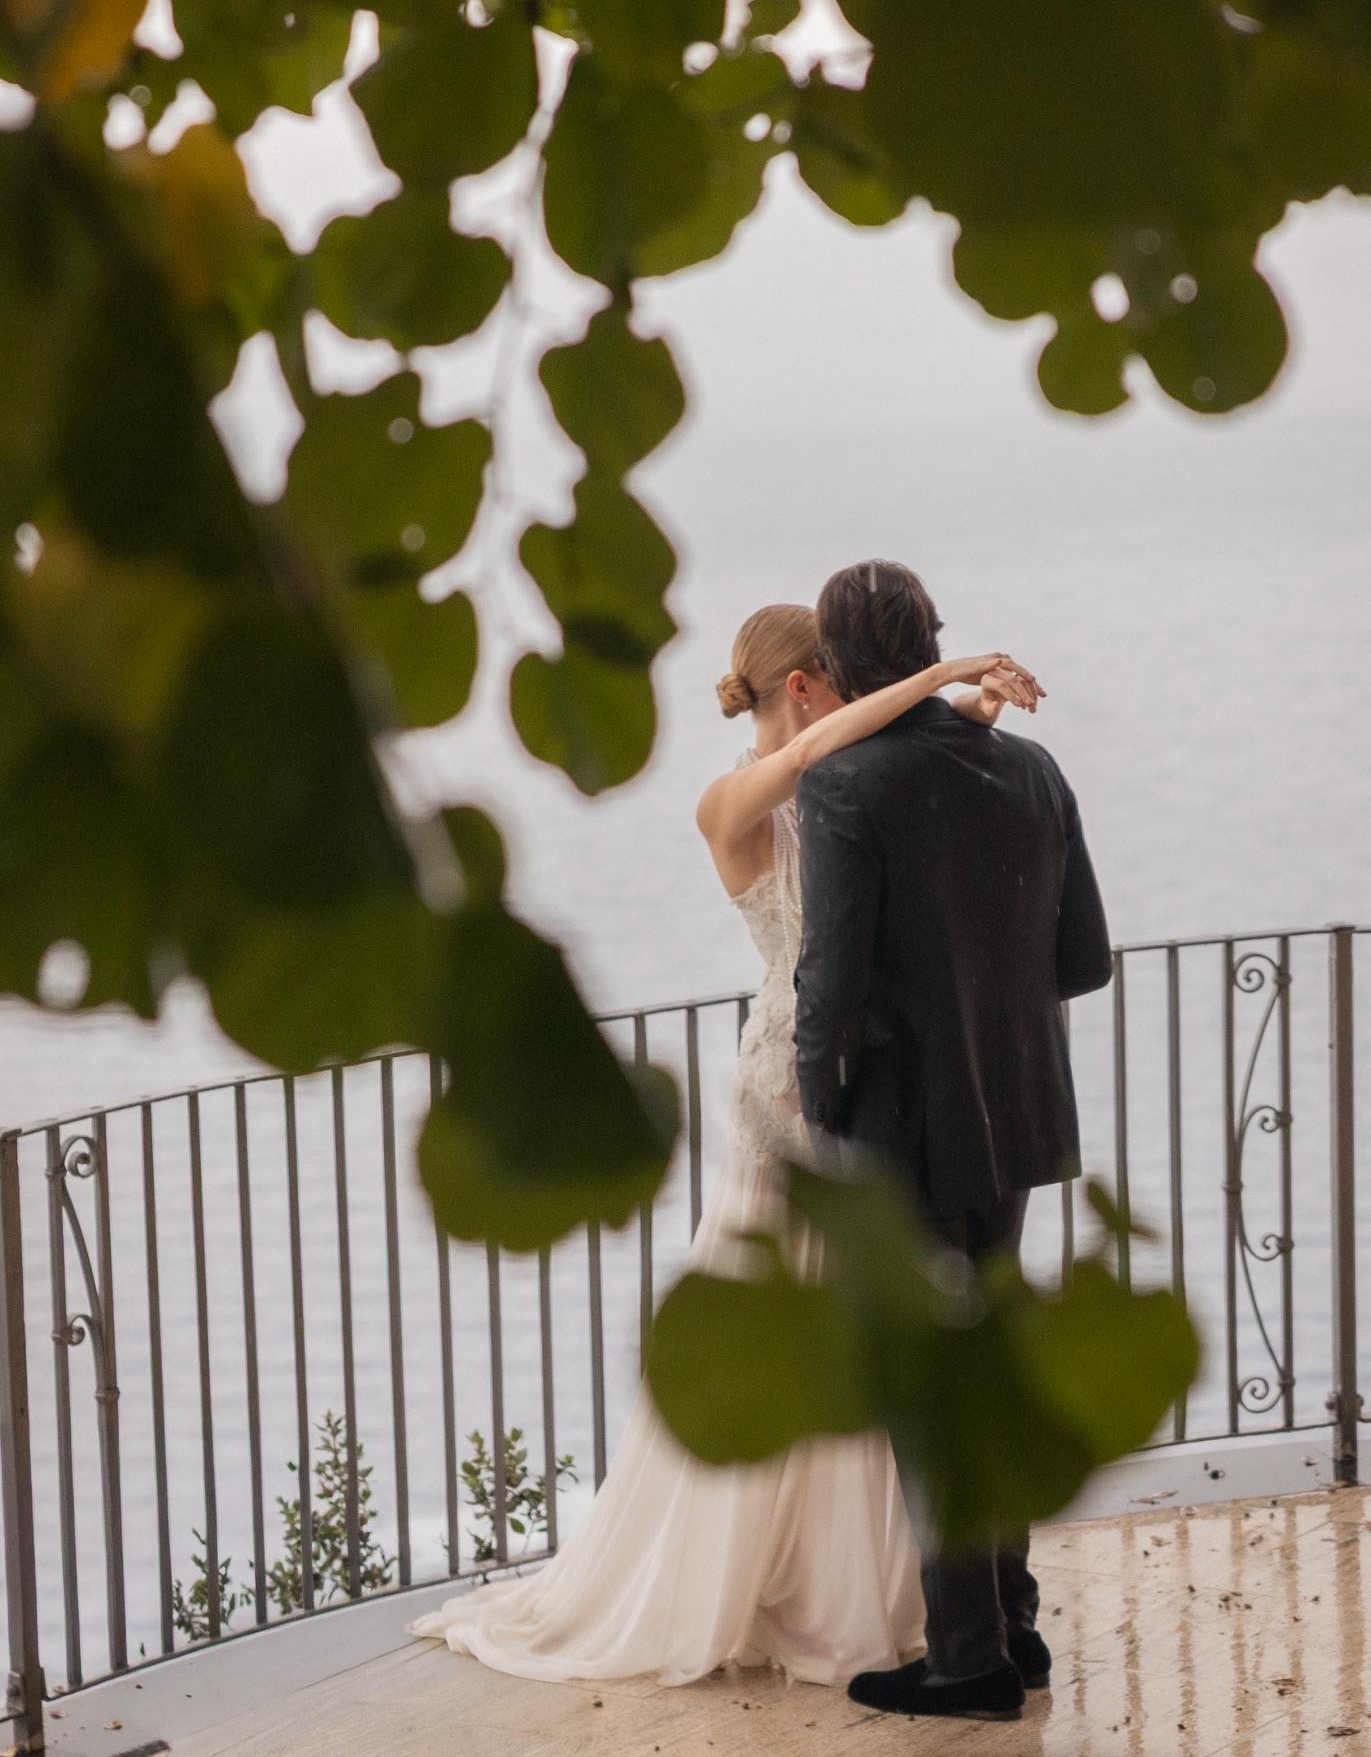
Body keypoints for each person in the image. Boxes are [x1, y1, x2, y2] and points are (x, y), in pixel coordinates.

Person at [409, 601, 1041, 1686]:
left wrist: (972, 711)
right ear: (802, 687)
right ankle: (751, 1578)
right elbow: (831, 751)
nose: (852, 695)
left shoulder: (842, 781)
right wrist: (947, 678)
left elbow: (886, 772)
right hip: (789, 1083)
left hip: (865, 1077)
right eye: (839, 675)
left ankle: (874, 1584)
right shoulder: (735, 799)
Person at [794, 561, 1113, 1725]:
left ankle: (969, 1659)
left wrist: (819, 1107)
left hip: (900, 1129)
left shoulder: (846, 787)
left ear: (832, 669)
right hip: (1017, 1112)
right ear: (933, 637)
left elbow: (829, 986)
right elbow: (1083, 960)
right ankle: (1012, 1627)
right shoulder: (1032, 769)